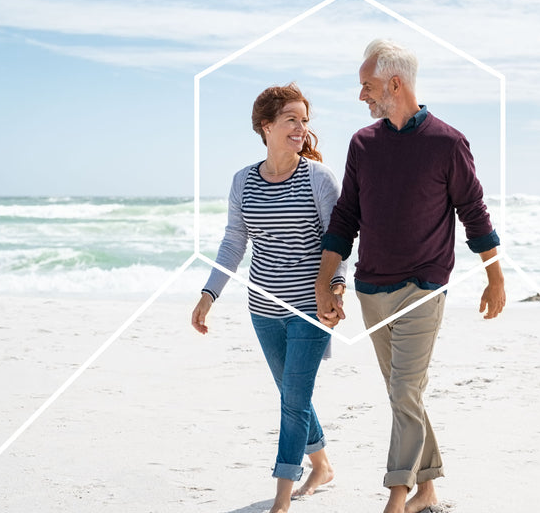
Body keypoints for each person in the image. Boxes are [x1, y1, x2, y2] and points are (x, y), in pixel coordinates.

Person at [314, 39, 506, 513]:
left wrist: (495, 276)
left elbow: (474, 212)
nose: (362, 95)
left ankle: (397, 496)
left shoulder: (447, 142)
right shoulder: (363, 144)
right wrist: (326, 282)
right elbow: (345, 217)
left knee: (403, 391)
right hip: (370, 289)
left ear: (394, 84)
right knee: (406, 395)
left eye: (367, 86)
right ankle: (428, 489)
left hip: (423, 286)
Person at [190, 83, 346, 513]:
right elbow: (234, 240)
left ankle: (281, 498)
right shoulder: (244, 180)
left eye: (304, 121)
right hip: (263, 308)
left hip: (309, 309)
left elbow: (339, 240)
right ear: (267, 126)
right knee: (290, 394)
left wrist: (337, 288)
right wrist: (209, 293)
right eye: (292, 119)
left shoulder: (318, 177)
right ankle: (323, 465)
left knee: (293, 399)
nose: (301, 128)